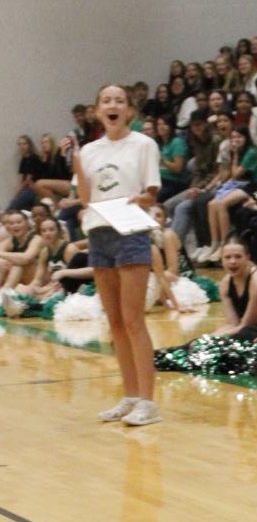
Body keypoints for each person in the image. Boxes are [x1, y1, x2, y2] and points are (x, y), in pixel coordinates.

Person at [76, 84, 162, 426]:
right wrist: (77, 167)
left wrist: (139, 200)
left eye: (120, 101)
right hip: (98, 231)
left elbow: (152, 194)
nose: (113, 106)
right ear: (97, 110)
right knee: (113, 322)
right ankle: (130, 395)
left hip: (130, 231)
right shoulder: (88, 151)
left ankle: (148, 402)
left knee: (133, 319)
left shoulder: (144, 145)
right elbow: (85, 198)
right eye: (106, 101)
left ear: (130, 110)